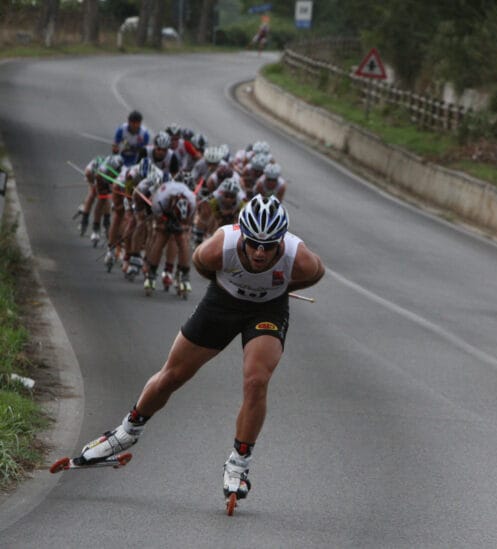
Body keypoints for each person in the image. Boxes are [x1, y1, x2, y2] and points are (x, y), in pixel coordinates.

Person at [74, 195, 325, 504]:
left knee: (256, 381)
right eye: (253, 244)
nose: (260, 253)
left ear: (281, 243)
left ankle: (239, 464)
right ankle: (125, 433)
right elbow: (199, 264)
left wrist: (278, 288)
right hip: (222, 303)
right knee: (173, 375)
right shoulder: (222, 245)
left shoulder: (298, 257)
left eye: (269, 246)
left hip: (267, 310)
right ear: (242, 236)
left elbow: (316, 274)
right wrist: (230, 284)